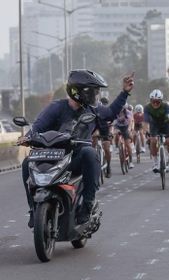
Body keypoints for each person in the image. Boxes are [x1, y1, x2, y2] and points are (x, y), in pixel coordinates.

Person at [18, 69, 134, 227]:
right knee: (27, 162)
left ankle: (87, 205)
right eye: (93, 92)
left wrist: (124, 92)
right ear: (79, 92)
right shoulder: (56, 107)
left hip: (75, 159)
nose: (96, 95)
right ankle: (33, 209)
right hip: (53, 158)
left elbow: (110, 113)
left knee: (90, 152)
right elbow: (38, 126)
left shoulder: (93, 110)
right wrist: (27, 137)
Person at [144, 89, 169, 173]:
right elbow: (146, 122)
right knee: (153, 140)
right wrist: (146, 131)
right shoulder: (147, 107)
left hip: (165, 124)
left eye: (157, 102)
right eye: (153, 101)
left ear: (161, 101)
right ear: (150, 101)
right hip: (154, 125)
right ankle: (155, 163)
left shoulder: (165, 106)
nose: (155, 104)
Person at [114, 103, 134, 169]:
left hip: (126, 127)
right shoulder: (115, 111)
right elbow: (113, 121)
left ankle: (131, 161)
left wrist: (129, 129)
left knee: (127, 144)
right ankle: (118, 147)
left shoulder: (128, 112)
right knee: (116, 134)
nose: (121, 110)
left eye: (122, 109)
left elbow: (130, 121)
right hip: (118, 126)